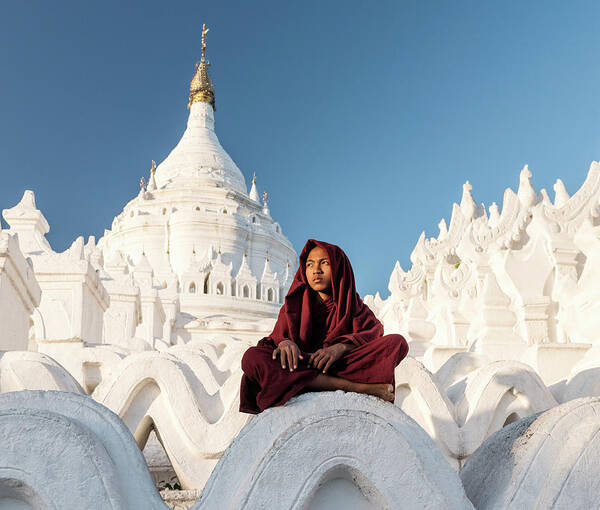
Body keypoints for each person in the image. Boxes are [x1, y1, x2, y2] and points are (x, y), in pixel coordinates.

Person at [239, 239, 408, 414]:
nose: (316, 271)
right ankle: (356, 387)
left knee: (397, 342)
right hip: (300, 363)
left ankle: (303, 384)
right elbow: (274, 340)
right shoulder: (294, 304)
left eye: (324, 263)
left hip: (337, 366)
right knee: (252, 357)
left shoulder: (353, 305)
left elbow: (373, 334)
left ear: (338, 268)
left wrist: (340, 348)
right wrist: (284, 343)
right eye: (310, 265)